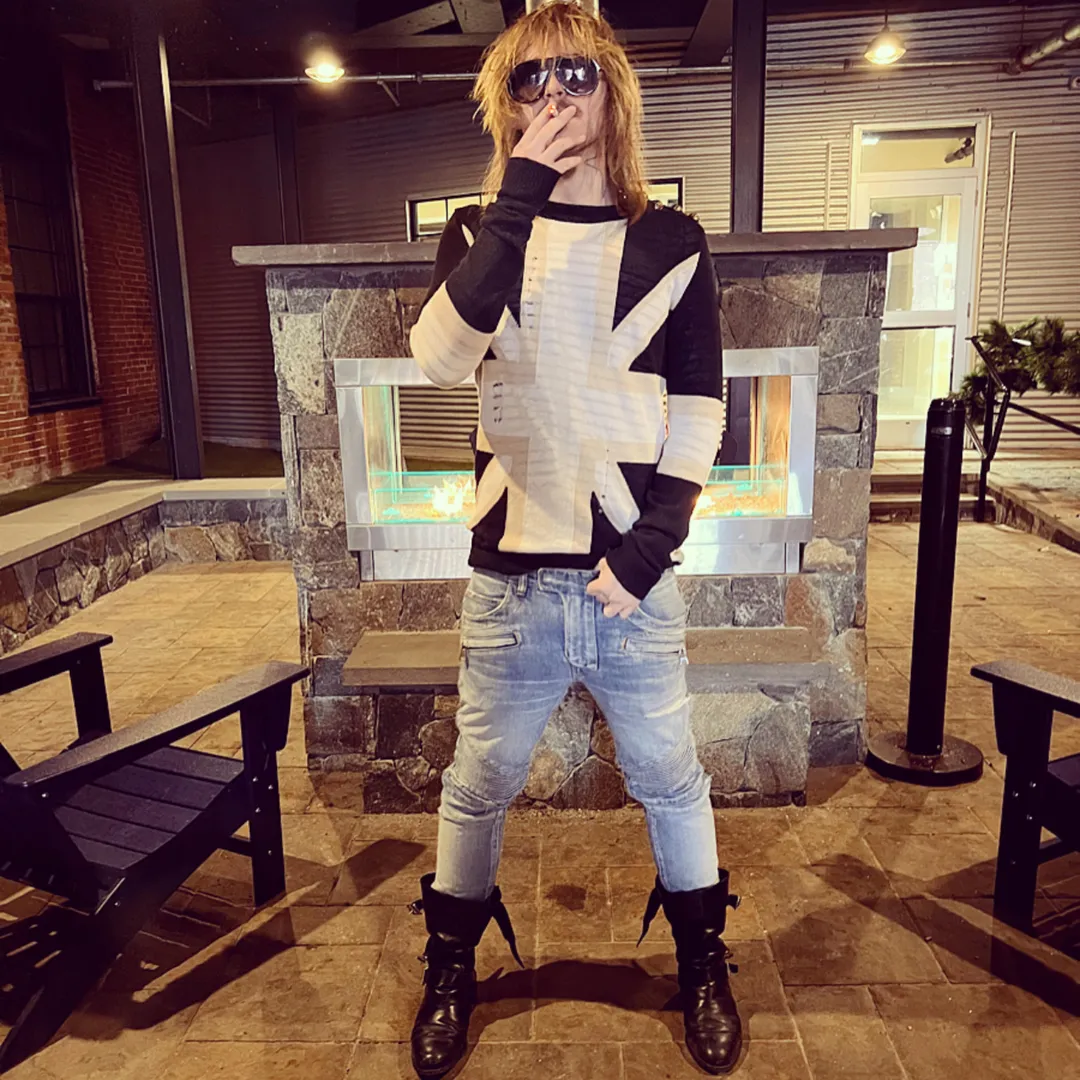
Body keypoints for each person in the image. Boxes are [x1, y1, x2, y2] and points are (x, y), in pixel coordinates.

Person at [407, 2, 741, 1076]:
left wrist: (653, 548)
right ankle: (450, 967)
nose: (552, 92)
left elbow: (701, 408)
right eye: (529, 78)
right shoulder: (479, 231)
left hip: (629, 585)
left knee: (673, 780)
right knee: (476, 785)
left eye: (576, 73)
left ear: (614, 92)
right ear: (504, 103)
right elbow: (437, 360)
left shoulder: (674, 242)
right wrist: (517, 199)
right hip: (510, 588)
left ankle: (703, 962)